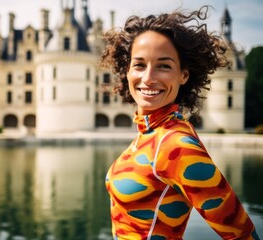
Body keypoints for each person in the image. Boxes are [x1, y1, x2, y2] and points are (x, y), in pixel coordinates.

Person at [100, 5, 260, 240]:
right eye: (139, 64)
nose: (148, 78)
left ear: (184, 75)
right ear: (127, 71)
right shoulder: (152, 132)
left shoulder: (176, 144)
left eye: (164, 65)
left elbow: (241, 234)